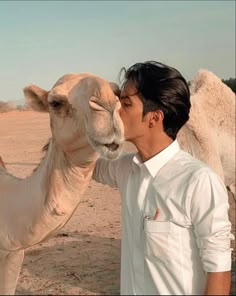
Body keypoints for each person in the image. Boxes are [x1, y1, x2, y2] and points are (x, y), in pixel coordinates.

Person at [92, 61, 234, 295]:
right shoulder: (126, 169)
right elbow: (84, 167)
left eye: (126, 104)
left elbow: (218, 267)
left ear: (154, 118)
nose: (116, 111)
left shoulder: (198, 182)